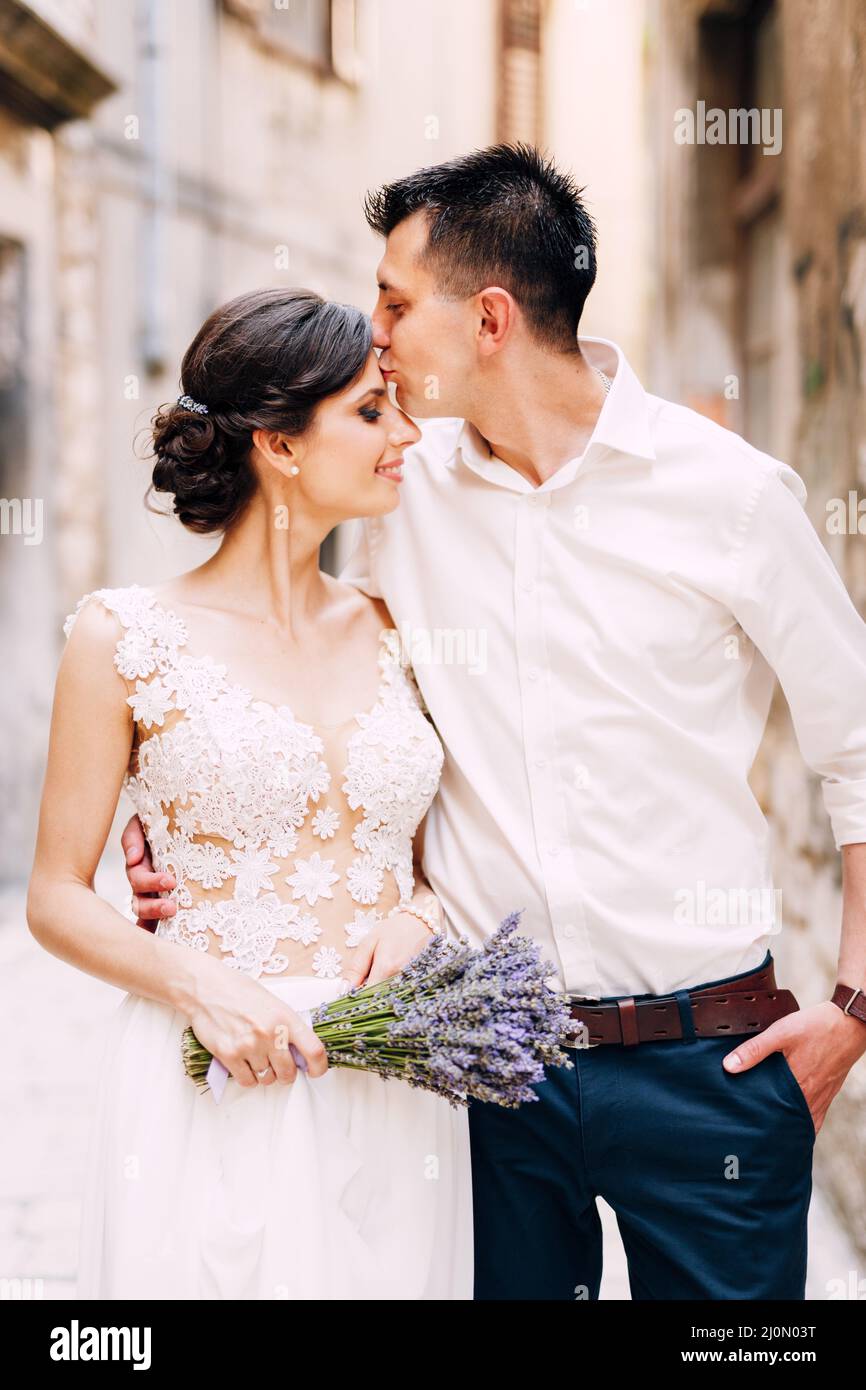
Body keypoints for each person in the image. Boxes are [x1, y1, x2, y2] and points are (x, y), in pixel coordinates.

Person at [127, 143, 866, 1301]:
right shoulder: (389, 494)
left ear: (486, 317)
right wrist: (189, 827)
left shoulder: (729, 495)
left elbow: (856, 754)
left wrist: (851, 1011)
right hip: (481, 1070)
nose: (371, 336)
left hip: (708, 1062)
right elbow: (290, 660)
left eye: (391, 303)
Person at [27, 287, 474, 1300]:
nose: (404, 433)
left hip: (394, 1080)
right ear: (277, 445)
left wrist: (420, 911)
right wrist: (196, 984)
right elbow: (54, 894)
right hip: (209, 1073)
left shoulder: (402, 627)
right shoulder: (122, 637)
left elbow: (441, 856)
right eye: (369, 411)